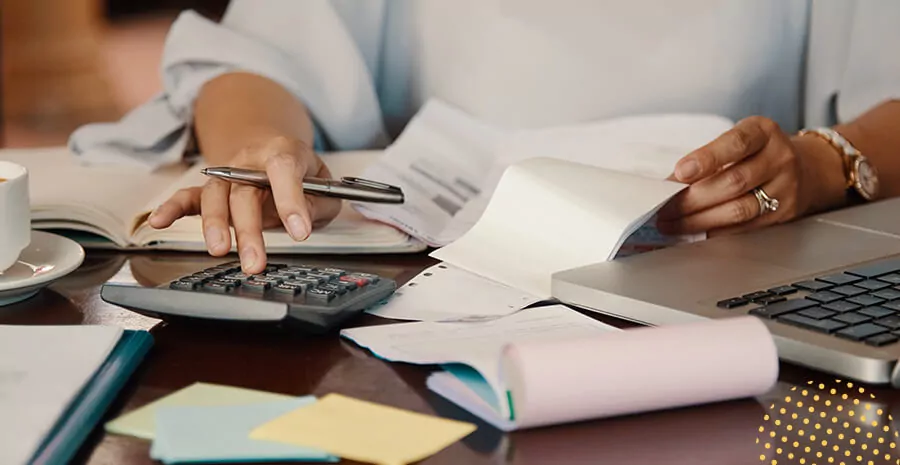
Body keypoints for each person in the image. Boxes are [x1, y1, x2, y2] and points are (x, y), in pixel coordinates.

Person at [70, 0, 900, 275]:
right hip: (438, 281)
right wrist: (261, 144)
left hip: (735, 274)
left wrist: (830, 163)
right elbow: (260, 55)